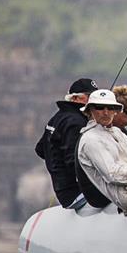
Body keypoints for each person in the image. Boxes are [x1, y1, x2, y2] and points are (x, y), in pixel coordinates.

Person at [35, 78, 99, 208]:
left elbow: (41, 149)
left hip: (64, 193)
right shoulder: (76, 122)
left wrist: (56, 169)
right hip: (77, 194)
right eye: (90, 96)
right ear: (75, 98)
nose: (95, 100)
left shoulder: (57, 117)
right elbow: (73, 162)